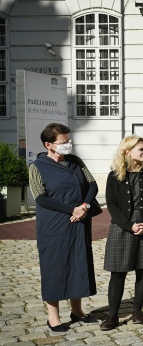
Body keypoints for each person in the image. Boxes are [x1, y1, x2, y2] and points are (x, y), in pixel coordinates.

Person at [29, 123, 98, 332]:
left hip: (80, 221)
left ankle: (77, 310)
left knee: (78, 264)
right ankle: (53, 317)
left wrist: (84, 207)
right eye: (64, 142)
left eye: (69, 140)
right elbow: (41, 197)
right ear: (48, 145)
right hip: (54, 225)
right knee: (54, 267)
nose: (68, 144)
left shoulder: (75, 161)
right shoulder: (37, 167)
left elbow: (92, 185)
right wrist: (71, 210)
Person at [101, 136, 143, 331]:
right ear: (127, 152)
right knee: (118, 273)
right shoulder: (114, 176)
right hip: (122, 227)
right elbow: (111, 204)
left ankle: (137, 310)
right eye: (141, 149)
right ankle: (113, 315)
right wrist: (129, 226)